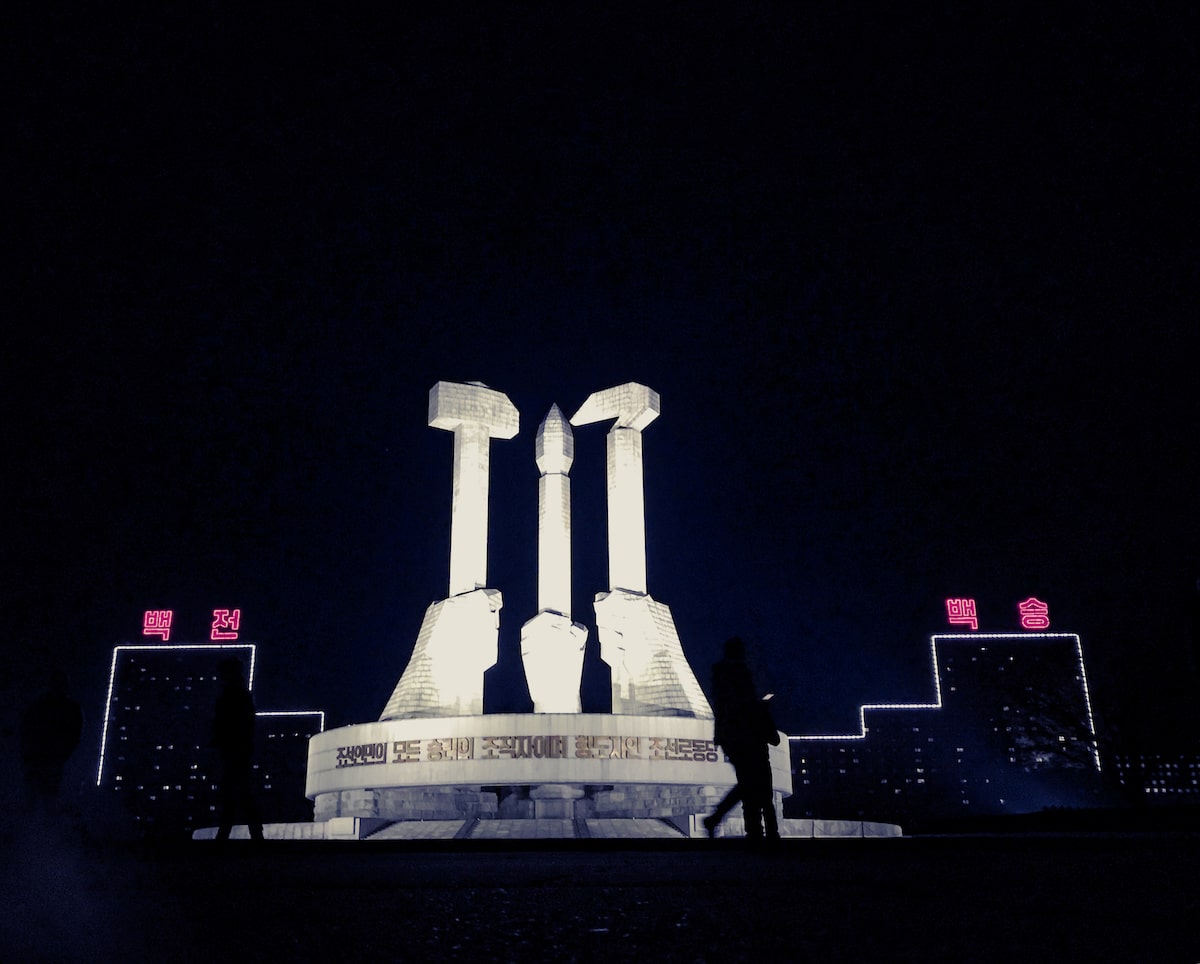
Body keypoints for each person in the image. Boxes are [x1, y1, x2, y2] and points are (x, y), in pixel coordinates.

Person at [704, 636, 780, 843]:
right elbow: (741, 704)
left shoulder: (721, 671)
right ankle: (731, 823)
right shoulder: (736, 672)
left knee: (748, 782)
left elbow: (725, 704)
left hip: (731, 735)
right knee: (751, 783)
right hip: (741, 735)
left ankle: (749, 829)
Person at [211, 657, 264, 842]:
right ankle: (252, 833)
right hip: (237, 749)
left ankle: (228, 833)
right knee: (239, 792)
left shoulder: (235, 695)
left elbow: (234, 724)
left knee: (235, 792)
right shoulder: (238, 694)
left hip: (235, 750)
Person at [20, 670, 84, 805]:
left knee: (42, 798)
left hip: (48, 758)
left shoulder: (41, 705)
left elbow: (27, 729)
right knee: (44, 798)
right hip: (46, 758)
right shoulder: (67, 707)